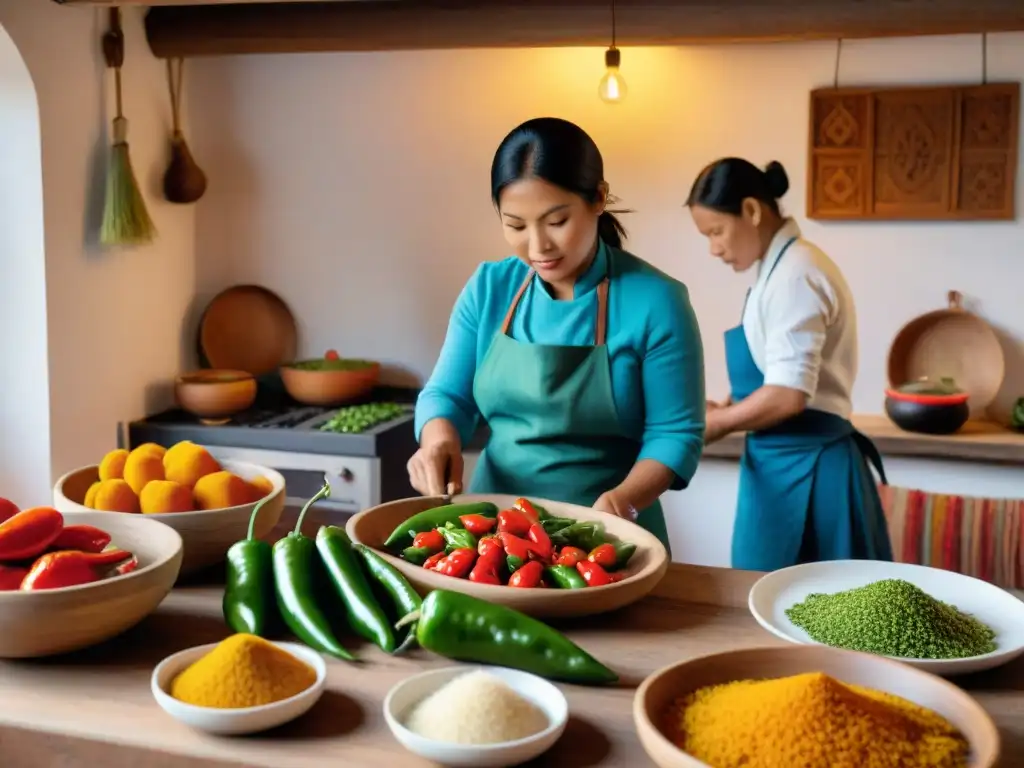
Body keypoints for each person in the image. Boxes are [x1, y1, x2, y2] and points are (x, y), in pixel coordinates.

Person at [409, 117, 705, 555]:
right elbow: (447, 396)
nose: (537, 246)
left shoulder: (657, 301)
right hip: (495, 540)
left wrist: (624, 502)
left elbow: (675, 433)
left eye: (556, 220)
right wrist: (438, 440)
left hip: (608, 539)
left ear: (599, 198)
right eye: (515, 225)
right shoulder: (489, 288)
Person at [686, 157, 893, 571]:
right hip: (778, 462)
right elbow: (773, 371)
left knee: (830, 614)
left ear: (751, 210)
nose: (714, 248)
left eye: (716, 231)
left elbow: (787, 395)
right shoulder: (777, 270)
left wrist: (717, 426)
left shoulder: (797, 273)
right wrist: (726, 407)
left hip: (812, 465)